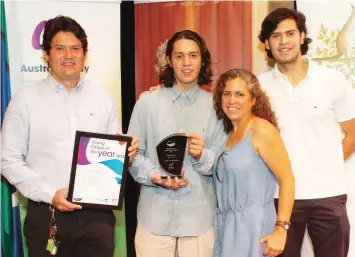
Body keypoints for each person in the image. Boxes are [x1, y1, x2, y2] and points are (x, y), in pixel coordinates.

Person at [1, 15, 138, 257]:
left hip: (97, 219)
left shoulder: (103, 98)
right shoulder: (25, 99)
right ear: (46, 54)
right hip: (46, 216)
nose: (68, 55)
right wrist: (50, 194)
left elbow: (113, 159)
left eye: (75, 48)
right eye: (60, 48)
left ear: (85, 54)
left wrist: (125, 152)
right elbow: (7, 160)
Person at [258, 7, 355, 257]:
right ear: (267, 43)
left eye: (290, 33)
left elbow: (352, 133)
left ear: (302, 37)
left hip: (328, 196)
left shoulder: (332, 80)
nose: (283, 41)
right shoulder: (258, 86)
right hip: (279, 198)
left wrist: (327, 165)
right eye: (275, 36)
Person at [128, 30, 224, 257]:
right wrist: (154, 176)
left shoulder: (217, 107)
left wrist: (202, 156)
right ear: (169, 60)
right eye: (179, 56)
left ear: (203, 60)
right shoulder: (147, 103)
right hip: (154, 219)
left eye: (193, 55)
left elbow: (223, 163)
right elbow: (133, 154)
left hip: (199, 219)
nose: (187, 63)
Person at [212, 68, 295, 257]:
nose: (232, 100)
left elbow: (287, 179)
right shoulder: (227, 134)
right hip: (226, 227)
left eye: (240, 94)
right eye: (227, 94)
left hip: (254, 228)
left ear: (253, 100)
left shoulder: (261, 130)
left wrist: (281, 229)